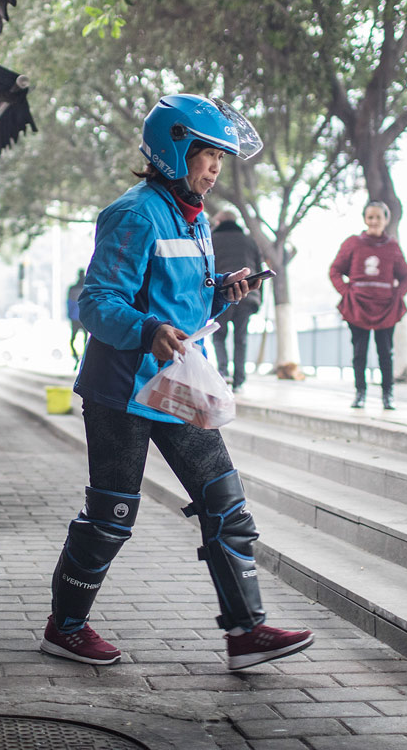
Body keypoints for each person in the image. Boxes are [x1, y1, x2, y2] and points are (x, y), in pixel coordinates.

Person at [40, 93, 313, 670]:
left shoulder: (194, 221)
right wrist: (148, 329)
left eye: (220, 158)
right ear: (173, 149)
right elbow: (96, 303)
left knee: (226, 505)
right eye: (207, 155)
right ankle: (65, 627)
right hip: (121, 393)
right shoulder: (135, 213)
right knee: (112, 514)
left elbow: (179, 297)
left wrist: (222, 291)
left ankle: (247, 632)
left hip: (179, 389)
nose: (215, 168)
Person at [328, 200, 407, 411]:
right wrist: (346, 292)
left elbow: (406, 276)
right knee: (359, 352)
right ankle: (360, 393)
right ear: (365, 219)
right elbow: (335, 270)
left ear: (386, 220)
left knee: (386, 352)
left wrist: (396, 296)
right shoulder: (353, 243)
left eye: (378, 217)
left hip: (385, 308)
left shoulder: (392, 246)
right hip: (357, 306)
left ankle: (388, 395)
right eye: (370, 217)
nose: (374, 221)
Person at [211, 210, 264, 393]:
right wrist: (259, 299)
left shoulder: (212, 238)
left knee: (218, 335)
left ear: (219, 221)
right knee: (241, 338)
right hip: (248, 294)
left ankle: (223, 373)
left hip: (222, 293)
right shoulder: (249, 240)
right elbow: (258, 268)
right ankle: (239, 379)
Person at [66, 269, 87, 368]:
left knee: (72, 340)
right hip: (84, 318)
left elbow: (69, 303)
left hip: (75, 318)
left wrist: (69, 315)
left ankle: (77, 357)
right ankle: (83, 358)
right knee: (85, 341)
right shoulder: (87, 288)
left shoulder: (73, 288)